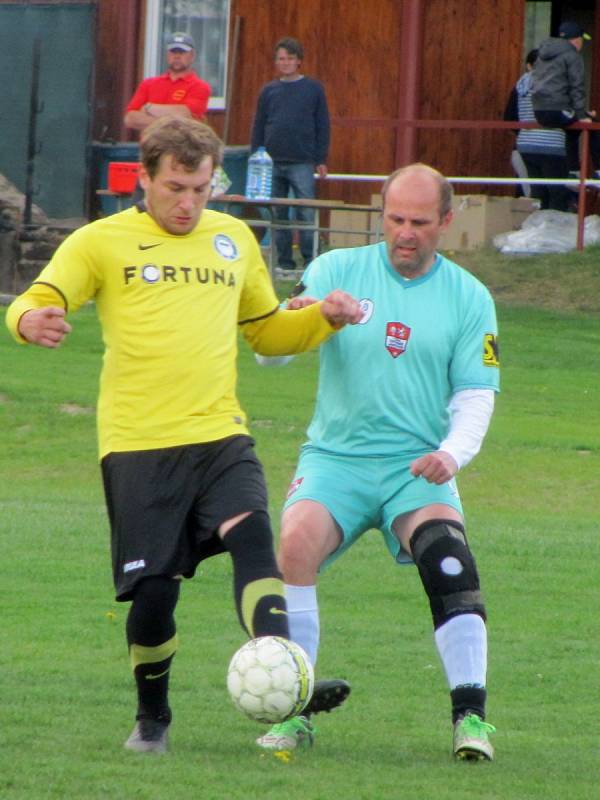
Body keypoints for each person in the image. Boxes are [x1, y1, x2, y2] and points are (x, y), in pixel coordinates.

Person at [5, 117, 363, 755]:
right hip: (138, 443)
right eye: (175, 187)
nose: (189, 203)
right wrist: (30, 319)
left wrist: (322, 323)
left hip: (220, 433)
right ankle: (152, 719)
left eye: (201, 189)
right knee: (152, 597)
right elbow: (35, 296)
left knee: (255, 538)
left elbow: (266, 331)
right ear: (143, 178)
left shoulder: (232, 240)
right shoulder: (101, 241)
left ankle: (288, 677)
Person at [255, 164, 500, 761]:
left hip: (413, 466)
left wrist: (451, 453)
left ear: (446, 221)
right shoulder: (336, 270)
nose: (405, 233)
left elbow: (475, 395)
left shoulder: (470, 298)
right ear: (381, 216)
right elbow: (272, 356)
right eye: (394, 219)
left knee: (448, 559)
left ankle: (471, 721)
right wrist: (316, 319)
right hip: (335, 460)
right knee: (293, 545)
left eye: (419, 221)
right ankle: (294, 711)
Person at [250, 36, 330, 272]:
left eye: (290, 58)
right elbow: (259, 125)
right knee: (278, 214)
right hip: (272, 161)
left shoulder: (313, 89)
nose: (285, 63)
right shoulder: (268, 91)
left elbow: (322, 125)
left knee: (306, 211)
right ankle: (283, 263)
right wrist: (256, 156)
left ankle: (310, 262)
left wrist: (321, 159)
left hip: (303, 161)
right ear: (276, 62)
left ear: (299, 62)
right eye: (281, 59)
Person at [504, 49, 569, 211]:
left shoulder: (521, 85)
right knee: (557, 191)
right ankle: (553, 231)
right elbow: (565, 113)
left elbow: (510, 117)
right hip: (551, 144)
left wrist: (526, 131)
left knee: (537, 190)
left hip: (526, 145)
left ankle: (538, 228)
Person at [532, 21, 600, 175]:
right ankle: (598, 171)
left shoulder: (542, 56)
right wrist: (582, 114)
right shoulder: (572, 55)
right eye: (582, 40)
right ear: (576, 40)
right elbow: (577, 86)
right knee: (593, 126)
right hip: (556, 109)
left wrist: (580, 114)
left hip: (539, 111)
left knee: (573, 128)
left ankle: (574, 171)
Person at [124, 32, 211, 132]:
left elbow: (185, 114)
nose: (177, 56)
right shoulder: (148, 84)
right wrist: (171, 122)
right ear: (167, 55)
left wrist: (148, 108)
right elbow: (130, 119)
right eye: (173, 52)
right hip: (152, 146)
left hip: (183, 146)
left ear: (192, 55)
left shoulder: (200, 87)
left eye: (182, 52)